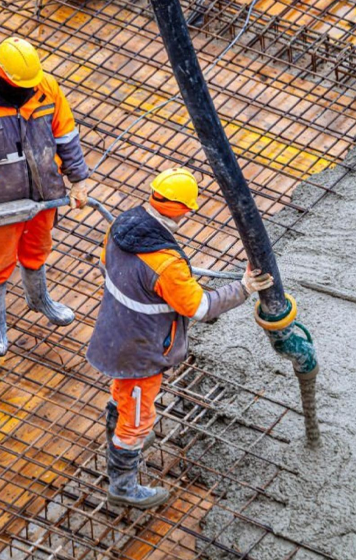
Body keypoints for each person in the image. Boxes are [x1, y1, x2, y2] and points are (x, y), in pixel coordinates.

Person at [86, 167, 274, 509]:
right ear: (185, 209)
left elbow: (106, 264)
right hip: (140, 351)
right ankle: (122, 485)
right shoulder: (166, 263)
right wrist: (244, 288)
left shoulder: (121, 225)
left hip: (114, 332)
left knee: (123, 392)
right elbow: (200, 307)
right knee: (138, 419)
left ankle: (120, 431)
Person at [0, 37, 90, 356]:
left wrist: (78, 180)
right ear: (3, 73)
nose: (30, 88)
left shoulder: (46, 87)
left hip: (44, 192)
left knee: (37, 250)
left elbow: (66, 136)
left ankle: (39, 300)